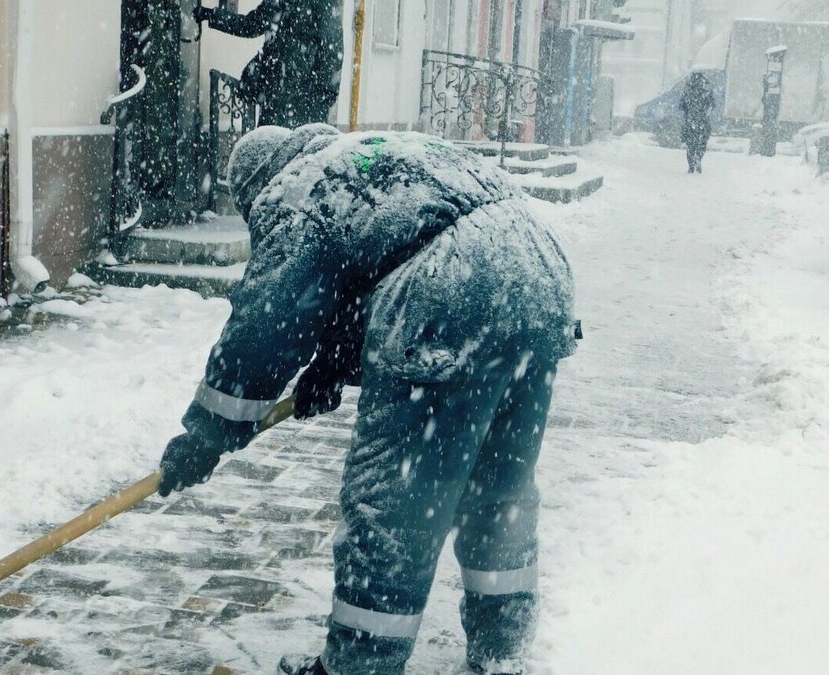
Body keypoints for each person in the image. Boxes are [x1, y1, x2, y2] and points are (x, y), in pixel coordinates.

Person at [157, 124, 578, 675]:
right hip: (536, 273)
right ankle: (502, 652)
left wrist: (209, 433)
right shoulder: (365, 157)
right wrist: (332, 363)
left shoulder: (294, 190)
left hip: (452, 285)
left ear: (255, 186)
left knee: (397, 499)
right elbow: (387, 248)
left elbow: (267, 322)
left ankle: (360, 665)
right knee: (499, 483)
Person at [194, 0, 344, 128]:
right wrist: (211, 15)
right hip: (275, 95)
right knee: (268, 151)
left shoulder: (323, 3)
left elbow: (332, 51)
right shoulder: (278, 2)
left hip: (303, 101)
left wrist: (322, 97)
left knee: (297, 157)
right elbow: (250, 25)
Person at [680, 71, 716, 174]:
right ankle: (698, 159)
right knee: (702, 143)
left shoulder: (687, 91)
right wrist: (705, 114)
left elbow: (682, 106)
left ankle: (691, 165)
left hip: (690, 121)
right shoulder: (707, 92)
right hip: (702, 122)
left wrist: (689, 113)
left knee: (690, 145)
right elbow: (712, 105)